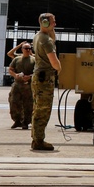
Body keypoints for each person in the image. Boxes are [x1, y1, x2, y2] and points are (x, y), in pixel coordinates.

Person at [30, 12, 61, 151]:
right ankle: (38, 141)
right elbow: (54, 62)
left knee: (37, 108)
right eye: (53, 22)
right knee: (43, 110)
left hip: (38, 76)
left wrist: (50, 30)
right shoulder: (45, 40)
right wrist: (59, 68)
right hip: (45, 78)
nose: (55, 24)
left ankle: (36, 138)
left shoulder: (38, 36)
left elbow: (52, 38)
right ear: (46, 23)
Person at [7, 42, 35, 130]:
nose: (27, 50)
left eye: (29, 48)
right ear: (22, 49)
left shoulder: (34, 59)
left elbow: (38, 71)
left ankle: (26, 122)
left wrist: (30, 76)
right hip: (18, 84)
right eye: (26, 48)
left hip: (29, 85)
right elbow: (11, 69)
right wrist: (15, 75)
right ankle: (17, 120)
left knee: (28, 104)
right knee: (13, 101)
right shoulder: (17, 59)